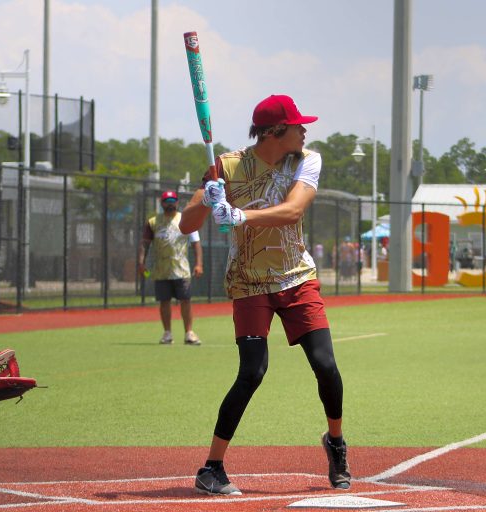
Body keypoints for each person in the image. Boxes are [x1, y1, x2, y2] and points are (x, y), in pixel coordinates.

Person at [179, 94, 351, 495]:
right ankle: (212, 468)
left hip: (295, 277)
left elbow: (293, 210)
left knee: (325, 364)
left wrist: (240, 215)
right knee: (252, 371)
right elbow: (187, 224)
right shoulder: (226, 167)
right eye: (297, 125)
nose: (304, 131)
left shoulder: (307, 160)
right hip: (249, 281)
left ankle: (336, 443)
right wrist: (208, 199)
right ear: (276, 131)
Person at [138, 190, 203, 345]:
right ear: (161, 203)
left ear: (177, 202)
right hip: (161, 269)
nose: (170, 203)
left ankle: (189, 332)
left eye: (172, 200)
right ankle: (167, 333)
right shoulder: (153, 222)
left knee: (185, 300)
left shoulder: (186, 219)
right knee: (164, 301)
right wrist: (141, 262)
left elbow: (196, 244)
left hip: (181, 268)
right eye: (167, 201)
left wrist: (199, 264)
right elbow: (145, 244)